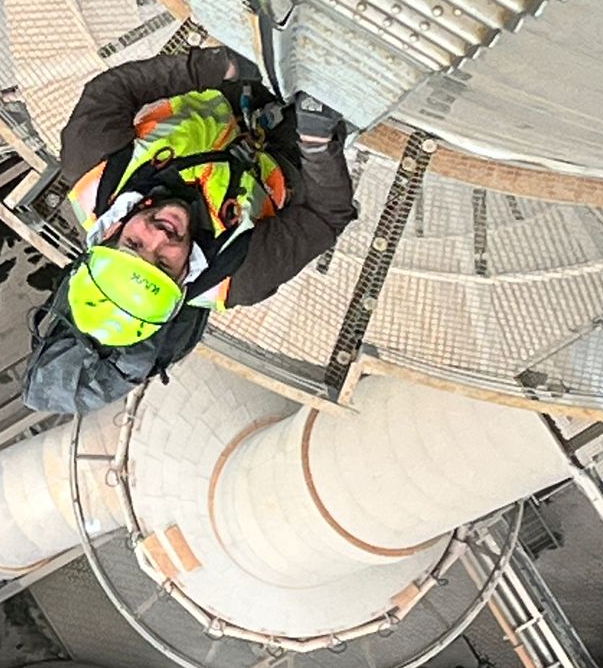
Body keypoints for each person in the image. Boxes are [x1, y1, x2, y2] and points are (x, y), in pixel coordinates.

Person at [23, 42, 357, 412]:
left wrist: (214, 66)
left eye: (134, 244)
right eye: (164, 263)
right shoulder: (239, 274)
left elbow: (114, 91)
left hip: (223, 91)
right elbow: (325, 216)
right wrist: (318, 146)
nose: (159, 236)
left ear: (111, 233)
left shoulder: (93, 165)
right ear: (183, 280)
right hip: (289, 155)